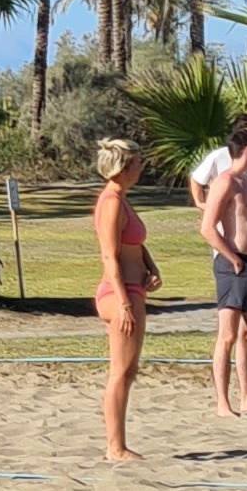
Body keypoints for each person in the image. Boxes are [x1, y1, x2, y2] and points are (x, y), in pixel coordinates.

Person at [92, 139, 161, 464]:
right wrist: (123, 303)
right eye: (136, 163)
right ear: (122, 168)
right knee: (120, 372)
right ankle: (115, 447)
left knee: (129, 371)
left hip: (134, 289)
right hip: (120, 293)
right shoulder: (111, 202)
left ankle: (119, 444)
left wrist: (152, 268)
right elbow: (109, 255)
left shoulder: (122, 199)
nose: (141, 168)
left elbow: (134, 244)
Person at [200, 132, 247, 420]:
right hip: (234, 265)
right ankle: (222, 403)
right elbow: (207, 228)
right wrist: (232, 258)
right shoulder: (225, 182)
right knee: (227, 335)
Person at [191, 114, 247, 331]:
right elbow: (207, 226)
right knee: (228, 332)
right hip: (232, 247)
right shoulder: (222, 171)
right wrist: (201, 204)